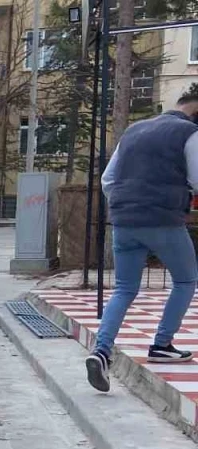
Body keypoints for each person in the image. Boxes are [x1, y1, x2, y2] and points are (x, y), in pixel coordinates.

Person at [85, 92, 198, 393]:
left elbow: (108, 180)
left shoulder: (133, 131)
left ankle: (101, 352)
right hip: (162, 219)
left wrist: (128, 203)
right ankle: (162, 344)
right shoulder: (189, 132)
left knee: (124, 288)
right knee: (186, 280)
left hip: (123, 220)